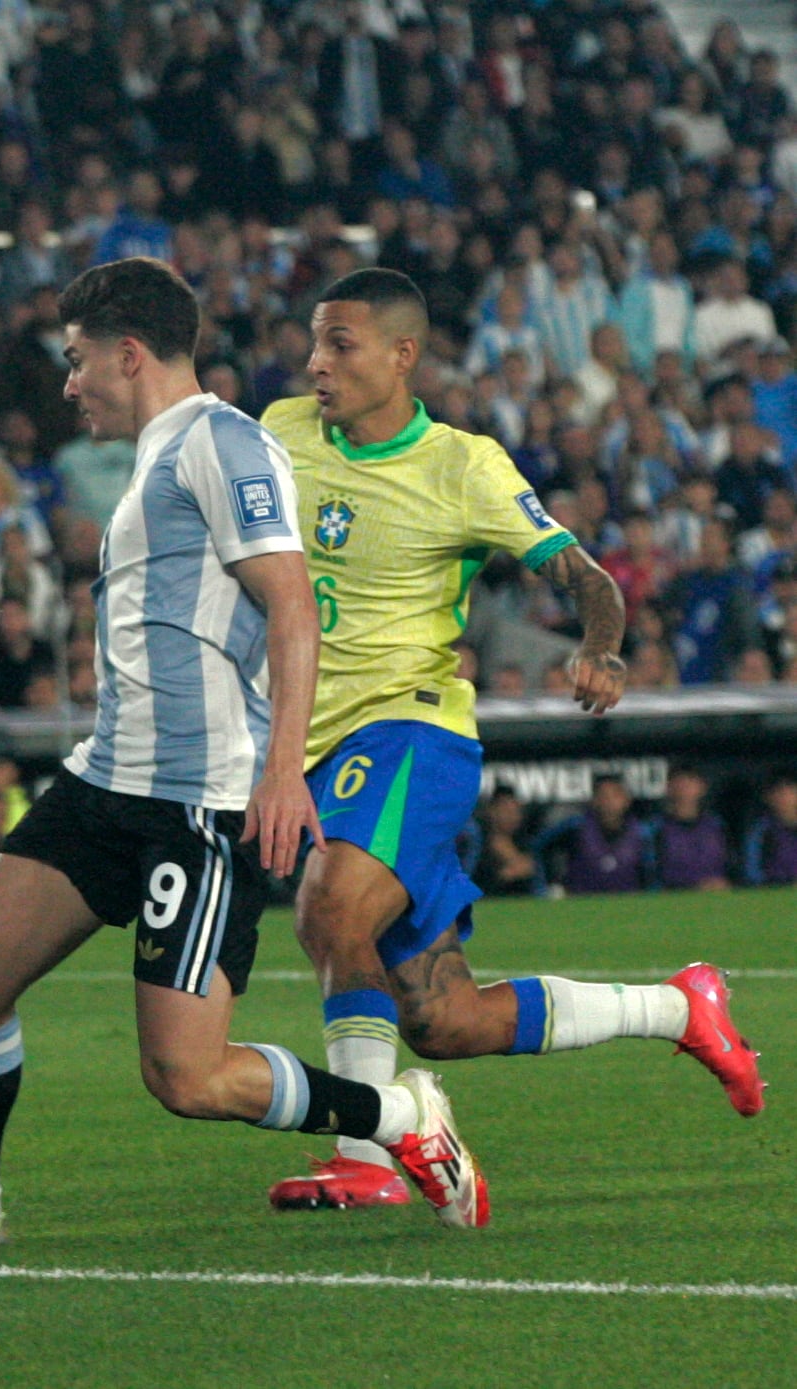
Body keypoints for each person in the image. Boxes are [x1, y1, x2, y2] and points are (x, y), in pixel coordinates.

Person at [0, 259, 484, 1251]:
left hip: (196, 800)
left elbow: (293, 607)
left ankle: (400, 1121)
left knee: (186, 1078)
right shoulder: (160, 453)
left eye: (75, 361)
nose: (67, 384)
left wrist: (276, 775)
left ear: (125, 353)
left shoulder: (225, 443)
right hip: (106, 781)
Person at [258, 268, 762, 1216]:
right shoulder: (279, 431)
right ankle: (678, 1006)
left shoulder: (464, 464)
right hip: (315, 746)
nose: (316, 364)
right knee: (443, 1019)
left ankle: (367, 1150)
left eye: (341, 345)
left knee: (329, 911)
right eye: (314, 343)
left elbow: (588, 579)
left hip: (409, 728)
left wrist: (601, 649)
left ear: (402, 355)